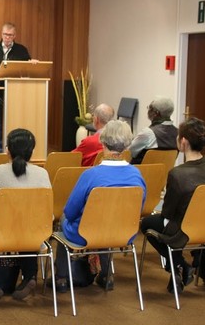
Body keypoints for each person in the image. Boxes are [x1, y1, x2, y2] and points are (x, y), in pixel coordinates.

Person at [54, 120, 146, 292]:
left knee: (65, 218)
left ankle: (61, 278)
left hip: (85, 233)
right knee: (107, 220)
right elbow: (137, 210)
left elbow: (70, 211)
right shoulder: (137, 175)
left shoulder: (91, 175)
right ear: (127, 145)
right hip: (123, 232)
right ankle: (106, 275)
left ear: (102, 142)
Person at [140, 117, 205, 295]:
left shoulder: (177, 174)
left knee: (147, 224)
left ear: (183, 142)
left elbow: (168, 213)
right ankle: (179, 266)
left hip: (184, 228)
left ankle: (180, 265)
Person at [0, 128, 51, 301]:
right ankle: (30, 276)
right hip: (33, 233)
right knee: (28, 232)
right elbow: (46, 210)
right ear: (32, 151)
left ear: (8, 150)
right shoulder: (42, 174)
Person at [0, 22, 32, 153]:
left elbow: (27, 67)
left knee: (13, 123)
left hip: (15, 93)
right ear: (1, 34)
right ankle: (0, 151)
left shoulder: (21, 50)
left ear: (15, 36)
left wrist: (32, 63)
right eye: (5, 34)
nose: (7, 37)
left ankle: (13, 151)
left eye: (10, 35)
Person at [128, 96, 178, 164]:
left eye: (150, 108)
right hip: (166, 170)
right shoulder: (178, 133)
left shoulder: (148, 133)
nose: (148, 110)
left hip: (141, 170)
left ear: (156, 113)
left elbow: (129, 152)